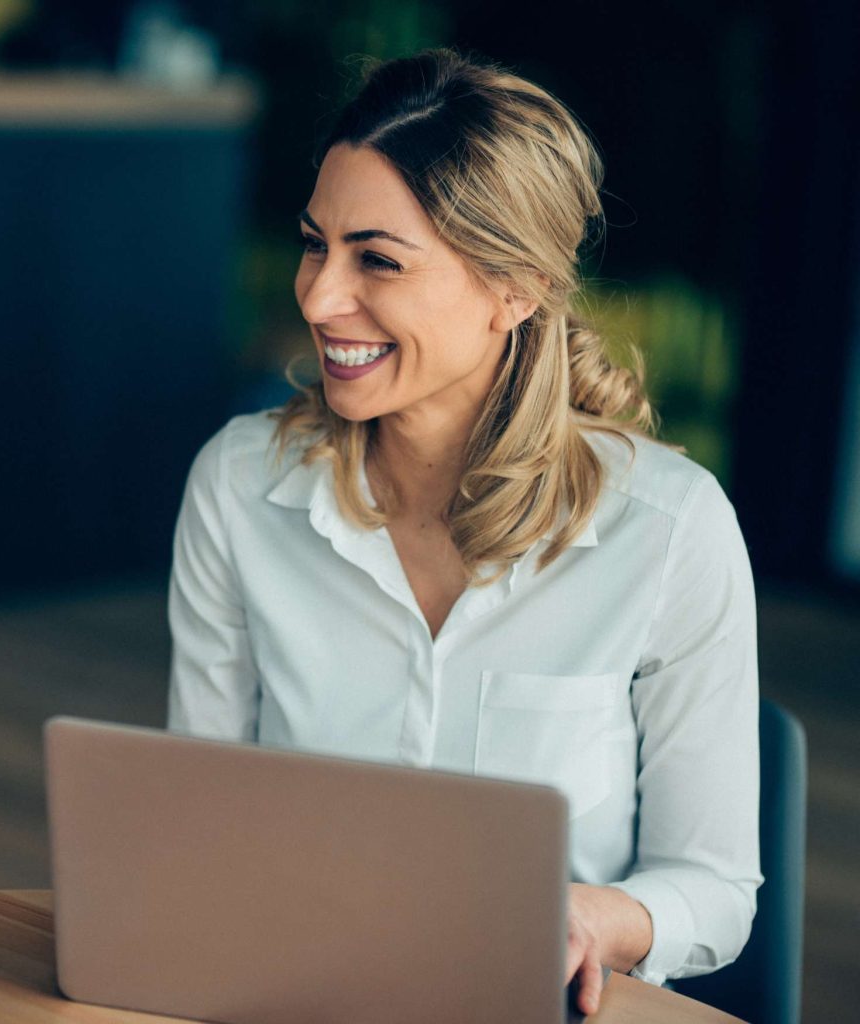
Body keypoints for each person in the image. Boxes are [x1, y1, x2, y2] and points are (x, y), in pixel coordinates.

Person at [166, 47, 761, 1017]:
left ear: (515, 287)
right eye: (316, 244)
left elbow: (715, 887)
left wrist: (594, 917)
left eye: (377, 259)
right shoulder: (238, 487)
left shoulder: (669, 530)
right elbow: (196, 818)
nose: (317, 296)